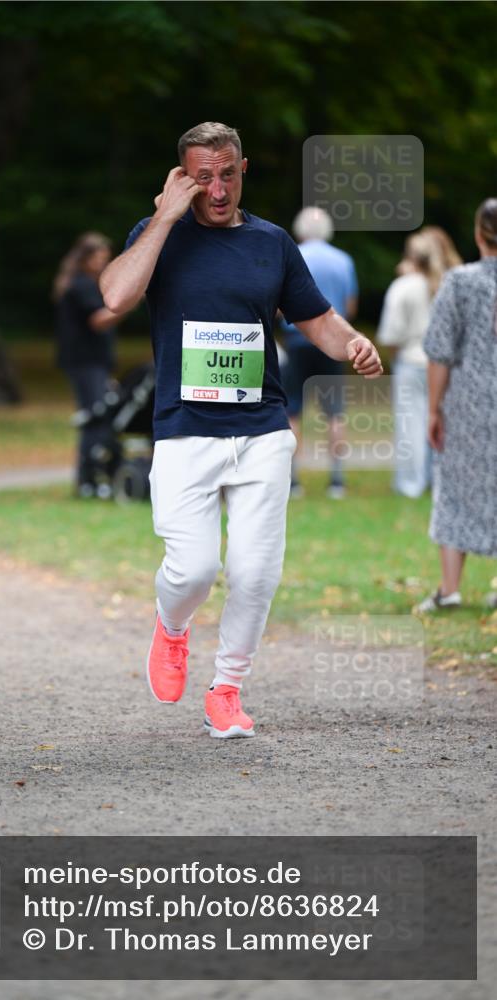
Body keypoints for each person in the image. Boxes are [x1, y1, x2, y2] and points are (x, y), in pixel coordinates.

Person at [100, 122, 382, 738]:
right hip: (184, 431)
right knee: (194, 569)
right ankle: (172, 628)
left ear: (244, 168)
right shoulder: (157, 239)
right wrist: (166, 219)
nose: (218, 188)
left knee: (255, 573)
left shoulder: (272, 243)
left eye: (227, 173)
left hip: (261, 430)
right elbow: (117, 295)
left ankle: (227, 688)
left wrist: (354, 344)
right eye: (203, 176)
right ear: (181, 177)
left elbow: (320, 319)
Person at [415, 199, 497, 613]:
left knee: (455, 490)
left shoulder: (459, 282)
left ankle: (450, 589)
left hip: (470, 399)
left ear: (479, 234)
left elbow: (439, 351)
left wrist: (433, 409)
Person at [279, 206, 359, 499]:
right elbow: (350, 307)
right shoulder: (344, 261)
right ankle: (337, 479)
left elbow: (279, 306)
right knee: (335, 413)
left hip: (297, 341)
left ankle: (293, 480)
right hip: (333, 343)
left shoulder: (292, 256)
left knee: (292, 412)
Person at [377, 227, 462, 498]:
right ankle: (440, 481)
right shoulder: (451, 284)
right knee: (443, 422)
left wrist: (394, 357)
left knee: (410, 425)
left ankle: (411, 484)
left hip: (411, 361)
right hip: (446, 364)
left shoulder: (403, 287)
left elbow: (391, 333)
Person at [52, 232, 123, 498]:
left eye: (106, 258)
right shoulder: (81, 285)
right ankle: (87, 480)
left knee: (95, 415)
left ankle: (91, 478)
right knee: (95, 416)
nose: (103, 263)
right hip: (85, 361)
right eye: (99, 258)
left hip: (93, 362)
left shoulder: (85, 283)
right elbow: (98, 320)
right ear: (85, 258)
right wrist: (126, 305)